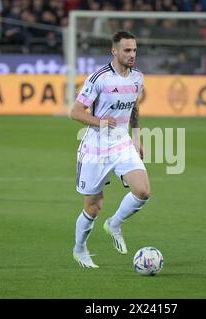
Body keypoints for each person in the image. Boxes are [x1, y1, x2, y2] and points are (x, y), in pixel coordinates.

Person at [69, 30, 150, 268]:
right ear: (114, 51)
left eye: (134, 50)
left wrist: (136, 137)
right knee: (93, 207)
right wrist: (100, 122)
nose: (132, 54)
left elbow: (135, 109)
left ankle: (114, 223)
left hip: (122, 144)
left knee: (143, 191)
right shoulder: (99, 78)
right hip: (96, 147)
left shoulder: (138, 78)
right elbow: (75, 112)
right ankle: (80, 249)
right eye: (127, 50)